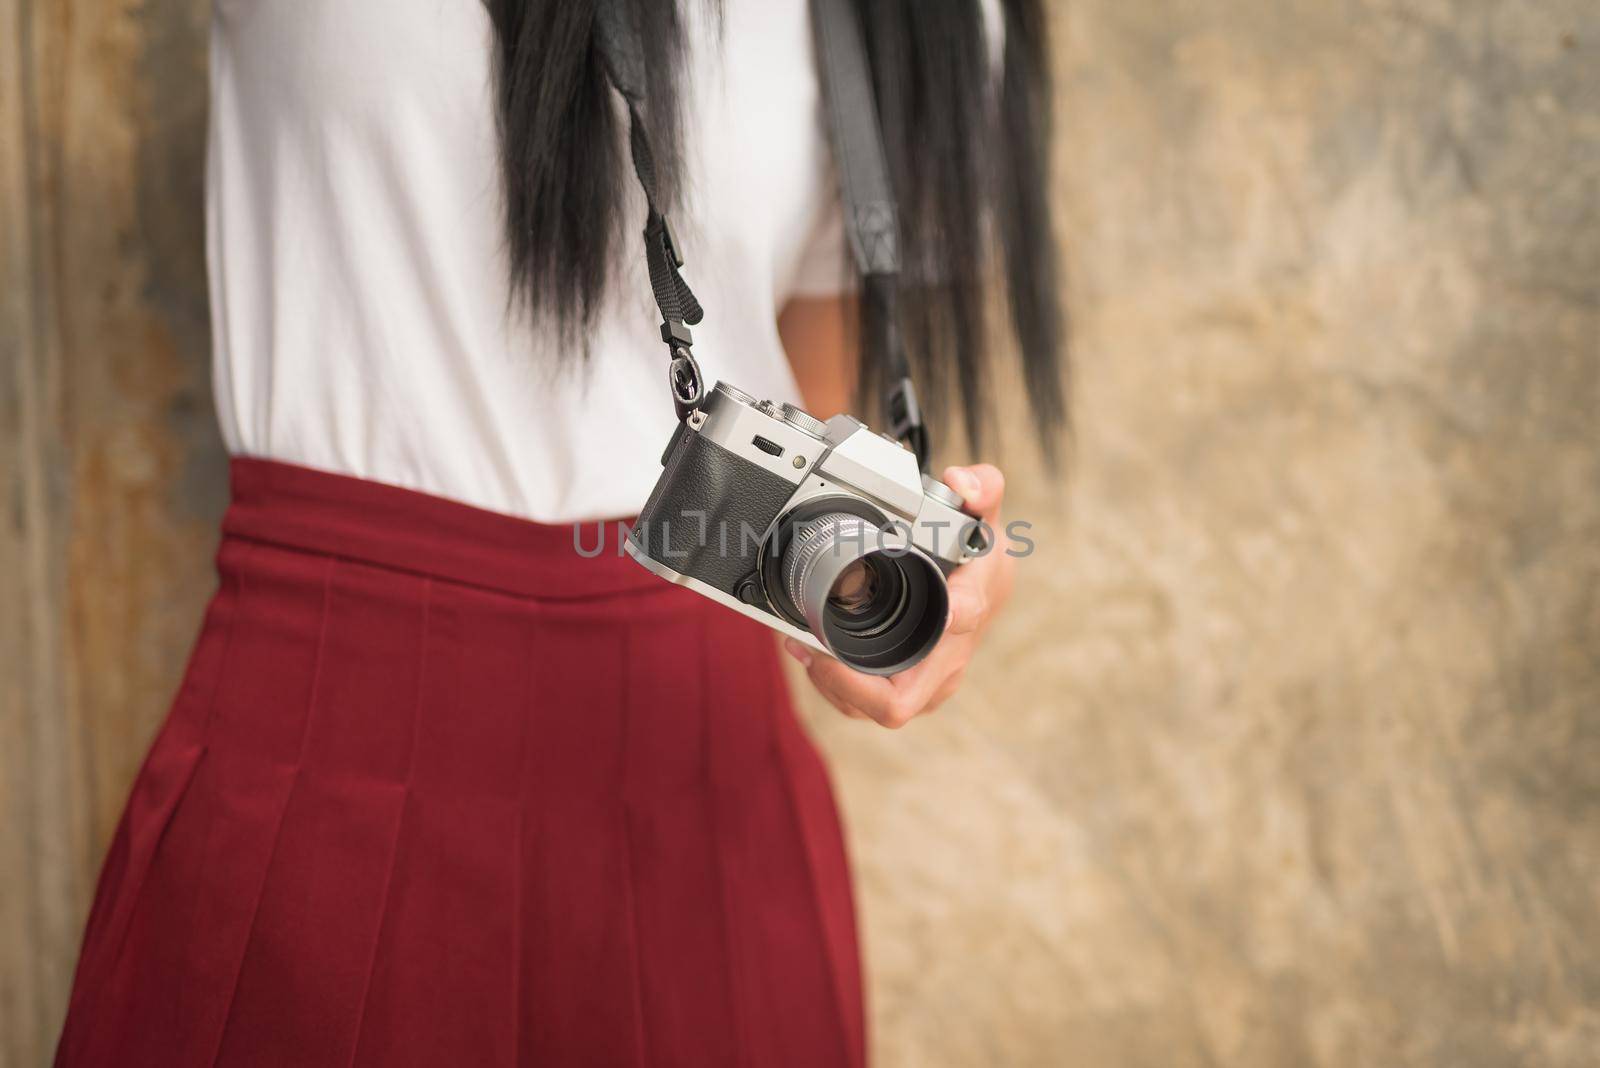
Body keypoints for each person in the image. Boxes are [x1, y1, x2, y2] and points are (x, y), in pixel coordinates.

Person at [54, 0, 1064, 1064]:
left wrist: (916, 578)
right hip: (320, 729)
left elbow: (821, 415)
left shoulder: (929, 20)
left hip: (707, 790)